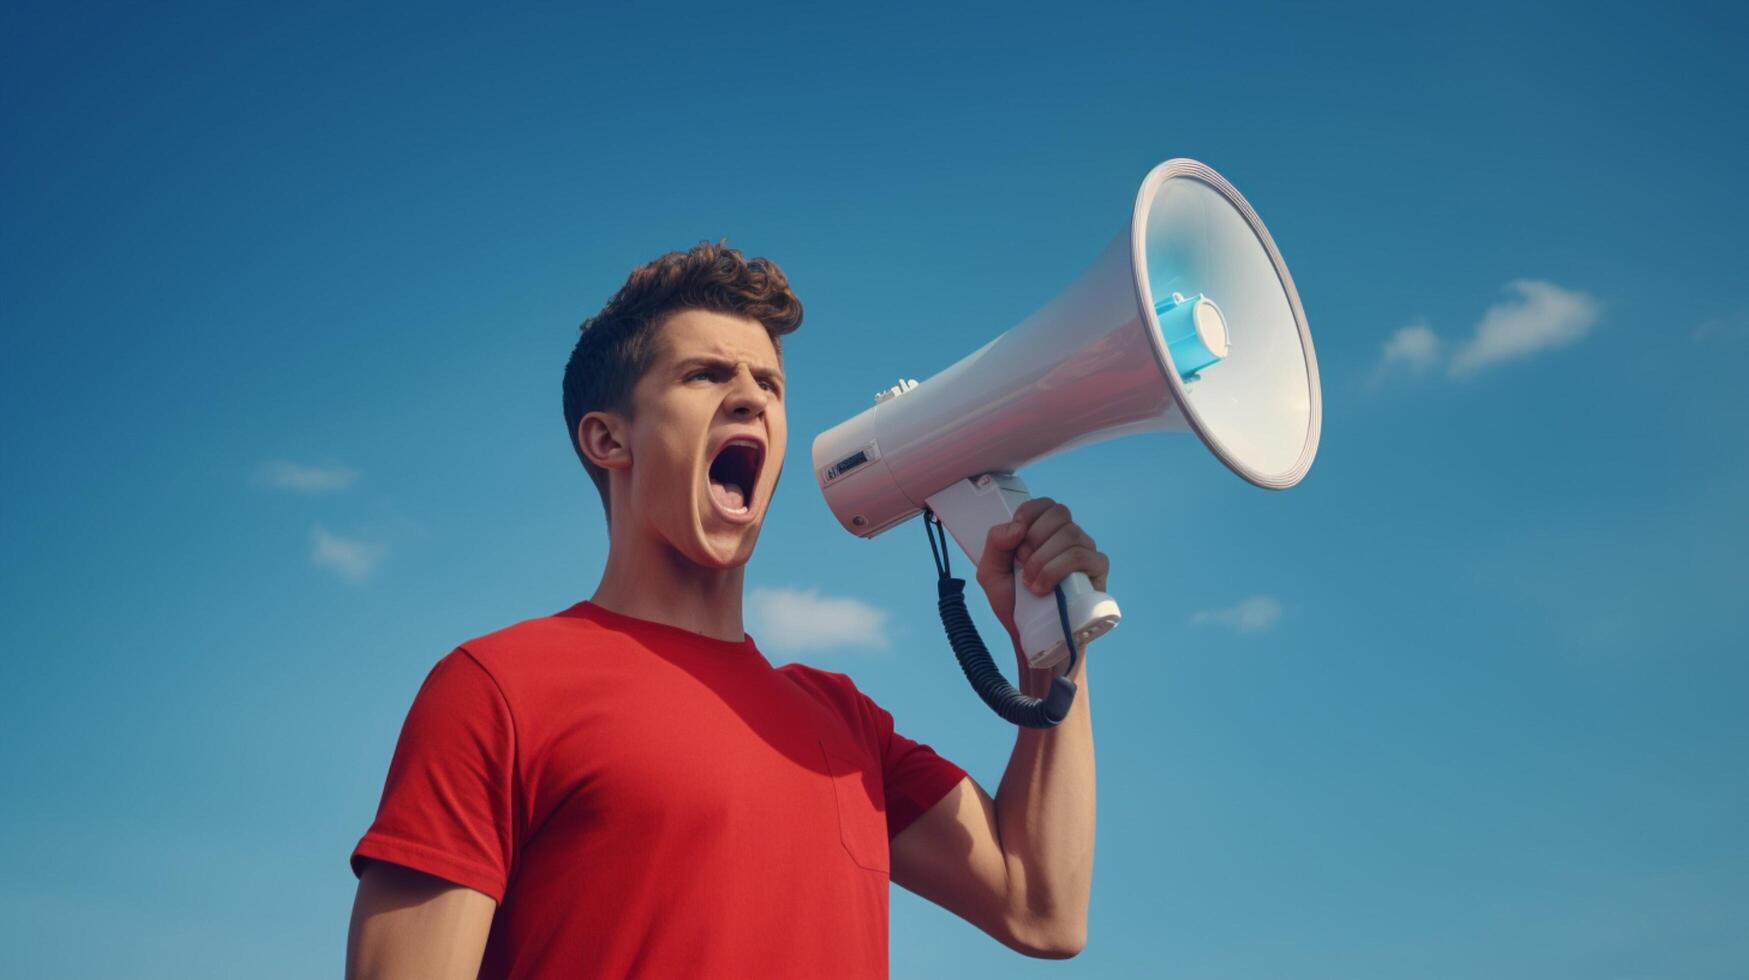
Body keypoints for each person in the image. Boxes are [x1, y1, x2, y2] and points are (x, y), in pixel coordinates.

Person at [345, 242, 1108, 978]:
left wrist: (1048, 643)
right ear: (609, 439)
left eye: (769, 385)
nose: (750, 397)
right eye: (705, 375)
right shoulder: (497, 688)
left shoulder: (845, 724)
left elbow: (1041, 908)